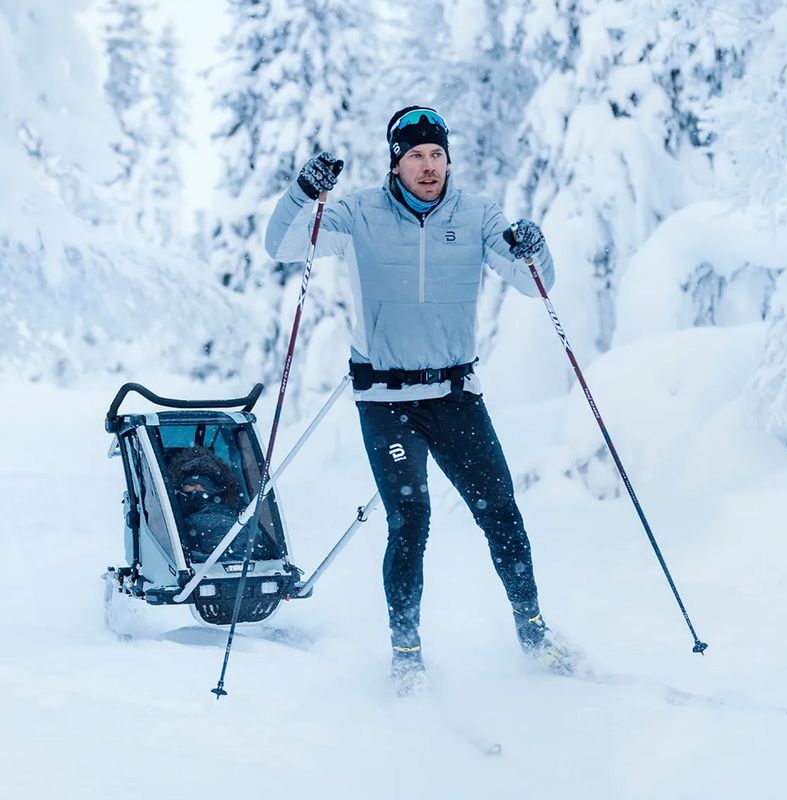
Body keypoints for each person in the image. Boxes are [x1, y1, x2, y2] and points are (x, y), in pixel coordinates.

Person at [266, 106, 566, 693]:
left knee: (501, 513)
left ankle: (534, 634)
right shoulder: (357, 213)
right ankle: (406, 655)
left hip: (455, 396)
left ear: (448, 159)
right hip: (386, 400)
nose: (428, 166)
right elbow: (281, 245)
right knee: (410, 520)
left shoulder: (478, 216)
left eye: (436, 155)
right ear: (395, 163)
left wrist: (537, 247)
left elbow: (535, 283)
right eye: (415, 156)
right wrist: (304, 192)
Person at [167, 447, 249, 561]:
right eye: (191, 484)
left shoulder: (237, 518)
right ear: (179, 487)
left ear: (216, 490)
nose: (197, 489)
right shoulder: (169, 519)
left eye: (204, 486)